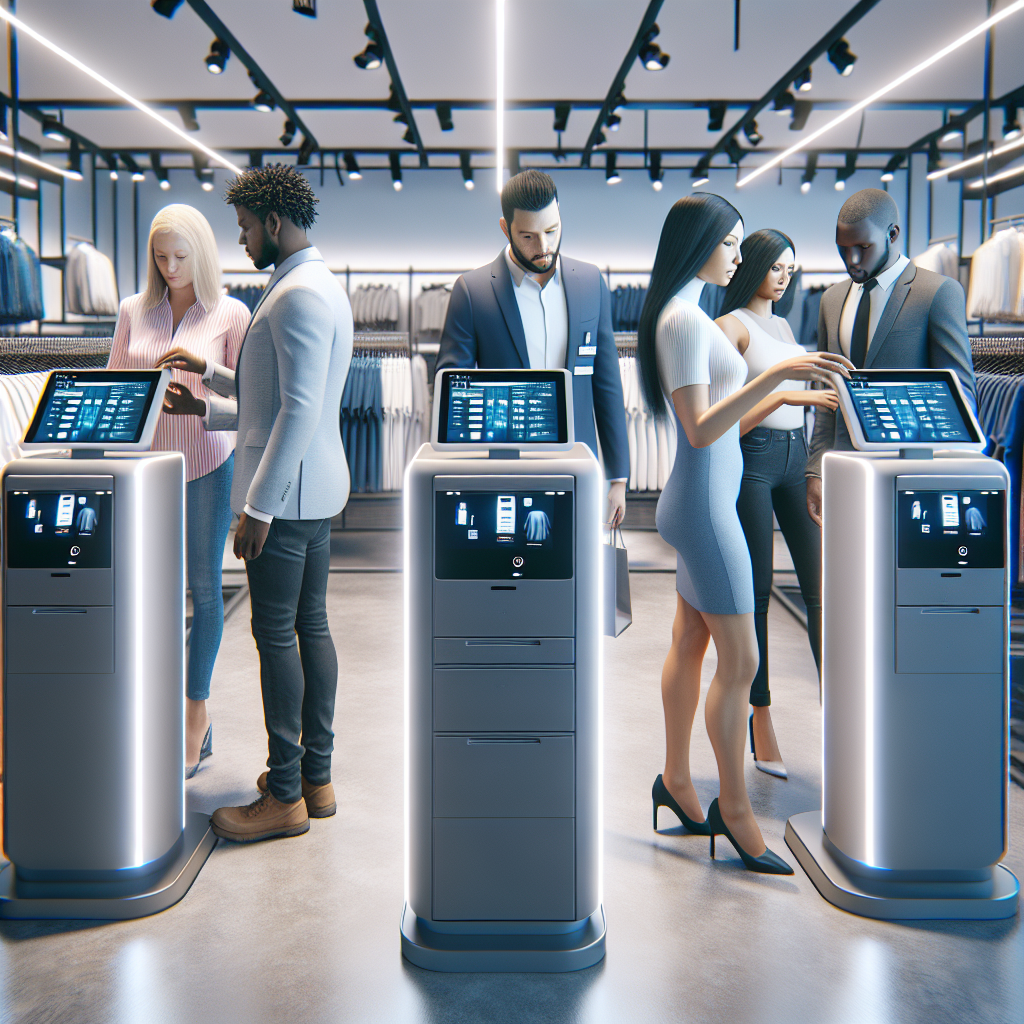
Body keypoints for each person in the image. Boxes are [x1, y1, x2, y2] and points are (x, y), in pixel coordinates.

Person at [637, 194, 851, 874]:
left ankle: (676, 782)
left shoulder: (688, 314)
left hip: (699, 498)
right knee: (744, 663)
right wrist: (781, 371)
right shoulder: (681, 321)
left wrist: (782, 395)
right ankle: (733, 811)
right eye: (728, 242)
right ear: (698, 242)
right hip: (705, 506)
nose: (738, 254)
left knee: (691, 642)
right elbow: (701, 427)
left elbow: (718, 416)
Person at [162, 165, 353, 843]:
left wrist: (259, 509)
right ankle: (315, 779)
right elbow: (271, 398)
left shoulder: (296, 294)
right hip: (317, 491)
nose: (240, 240)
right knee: (311, 627)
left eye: (244, 227)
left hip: (289, 498)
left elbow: (296, 411)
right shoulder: (320, 285)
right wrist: (208, 389)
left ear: (273, 222)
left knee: (278, 634)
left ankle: (283, 795)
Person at [107, 204, 249, 778]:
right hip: (145, 470)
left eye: (180, 257)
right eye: (160, 256)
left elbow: (253, 406)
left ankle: (195, 714)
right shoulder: (131, 311)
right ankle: (157, 708)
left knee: (204, 590)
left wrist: (202, 406)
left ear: (203, 254)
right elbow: (117, 387)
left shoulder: (232, 315)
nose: (169, 267)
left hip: (207, 464)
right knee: (152, 593)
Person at [436, 169, 629, 527]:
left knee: (578, 576)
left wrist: (617, 478)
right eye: (528, 236)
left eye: (552, 231)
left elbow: (607, 383)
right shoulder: (472, 290)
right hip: (502, 468)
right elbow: (452, 393)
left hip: (580, 466)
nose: (543, 247)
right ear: (505, 228)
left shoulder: (590, 283)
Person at [716, 229, 838, 779]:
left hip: (794, 460)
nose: (786, 276)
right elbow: (720, 424)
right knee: (758, 593)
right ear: (754, 265)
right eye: (776, 266)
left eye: (793, 267)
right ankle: (759, 714)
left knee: (821, 590)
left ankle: (841, 712)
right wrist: (786, 393)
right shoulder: (729, 328)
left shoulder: (786, 326)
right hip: (754, 459)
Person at [806, 188, 976, 525]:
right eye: (843, 249)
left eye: (863, 248)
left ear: (892, 234)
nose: (852, 260)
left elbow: (961, 397)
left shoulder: (937, 293)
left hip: (909, 479)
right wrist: (815, 471)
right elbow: (827, 399)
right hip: (842, 471)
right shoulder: (831, 299)